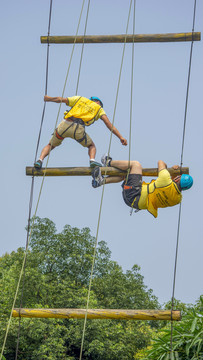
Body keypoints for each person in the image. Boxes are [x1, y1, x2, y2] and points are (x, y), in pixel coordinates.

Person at [34, 96, 127, 169]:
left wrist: (48, 98)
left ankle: (40, 160)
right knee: (91, 146)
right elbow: (108, 124)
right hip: (78, 128)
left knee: (50, 145)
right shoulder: (99, 109)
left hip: (65, 124)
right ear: (98, 103)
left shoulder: (80, 99)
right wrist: (120, 137)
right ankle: (92, 160)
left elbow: (60, 99)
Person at [91, 155, 193, 218]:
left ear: (177, 179)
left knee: (136, 165)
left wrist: (171, 169)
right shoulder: (177, 199)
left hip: (135, 193)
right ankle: (101, 181)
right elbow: (173, 187)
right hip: (134, 202)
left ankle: (108, 162)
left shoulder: (165, 180)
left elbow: (161, 162)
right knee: (127, 173)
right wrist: (174, 175)